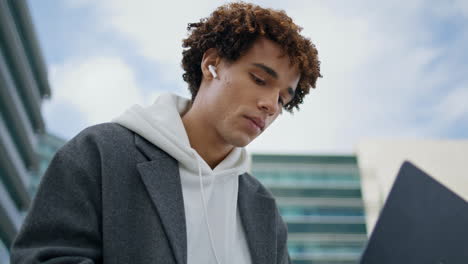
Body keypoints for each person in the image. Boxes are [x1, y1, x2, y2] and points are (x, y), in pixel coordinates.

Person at [10, 2, 321, 264]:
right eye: (258, 79)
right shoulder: (101, 152)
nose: (270, 105)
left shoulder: (262, 209)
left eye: (283, 99)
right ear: (212, 64)